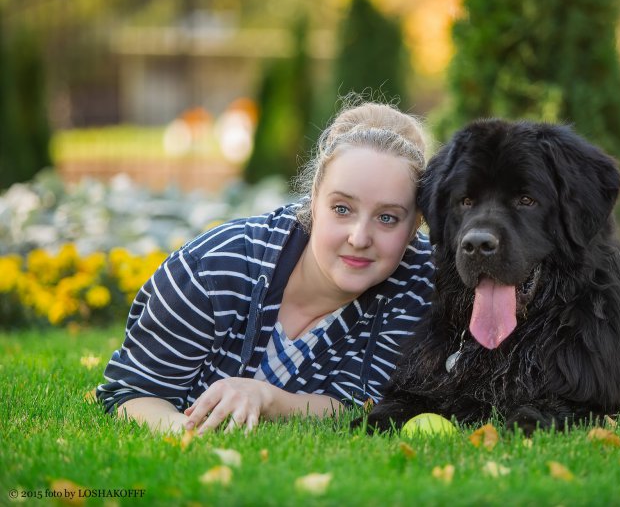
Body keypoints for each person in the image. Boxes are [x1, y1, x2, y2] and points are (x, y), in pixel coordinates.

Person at [96, 101, 435, 435]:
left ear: (415, 225)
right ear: (314, 199)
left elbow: (361, 405)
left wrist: (267, 398)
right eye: (342, 209)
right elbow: (131, 391)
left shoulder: (419, 287)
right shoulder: (213, 270)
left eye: (387, 218)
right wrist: (186, 433)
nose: (360, 238)